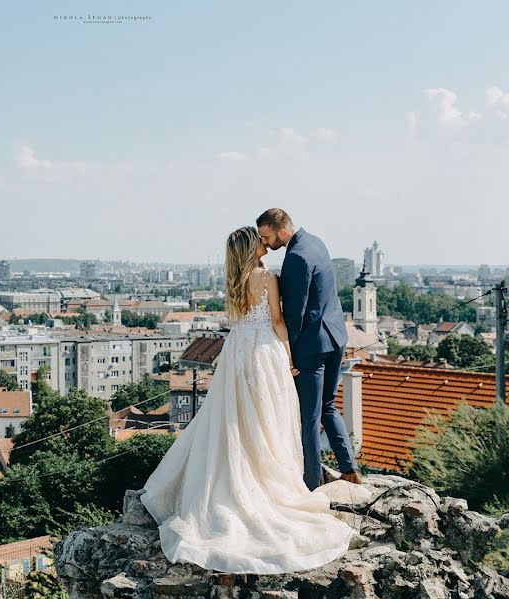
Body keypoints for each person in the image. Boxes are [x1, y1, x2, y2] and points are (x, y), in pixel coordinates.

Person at [139, 226, 354, 574]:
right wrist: (289, 356)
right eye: (259, 241)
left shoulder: (234, 281)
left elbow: (241, 322)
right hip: (264, 352)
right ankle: (269, 475)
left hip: (236, 354)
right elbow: (278, 321)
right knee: (267, 418)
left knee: (233, 418)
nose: (264, 244)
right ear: (251, 248)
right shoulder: (267, 278)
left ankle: (237, 473)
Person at [256, 208, 362, 491]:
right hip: (336, 337)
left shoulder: (295, 258)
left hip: (312, 346)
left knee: (309, 416)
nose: (266, 244)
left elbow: (295, 312)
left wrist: (286, 350)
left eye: (266, 237)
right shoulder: (315, 242)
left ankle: (311, 483)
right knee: (328, 405)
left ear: (280, 229)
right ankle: (349, 470)